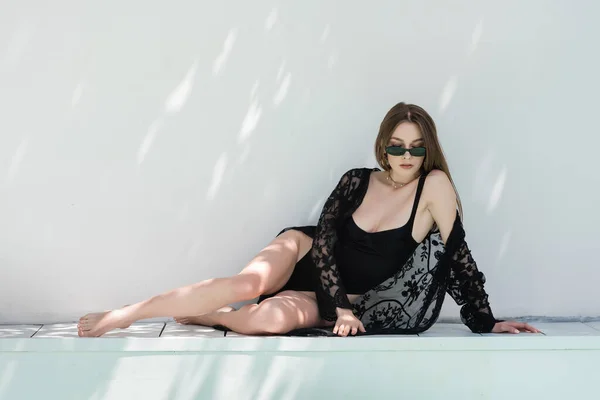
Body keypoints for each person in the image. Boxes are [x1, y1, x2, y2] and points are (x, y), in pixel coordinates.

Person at [78, 102, 539, 337]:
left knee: (267, 323)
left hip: (334, 297)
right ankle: (126, 314)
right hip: (306, 254)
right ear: (383, 145)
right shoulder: (357, 180)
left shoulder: (434, 187)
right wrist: (340, 306)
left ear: (427, 149)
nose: (406, 155)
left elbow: (455, 250)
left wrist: (485, 319)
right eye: (397, 145)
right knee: (247, 286)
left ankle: (207, 318)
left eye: (416, 146)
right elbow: (323, 242)